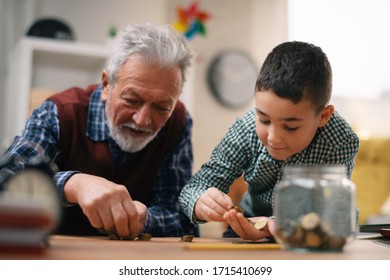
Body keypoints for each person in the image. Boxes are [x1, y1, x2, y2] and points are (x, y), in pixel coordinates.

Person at [0, 22, 198, 239]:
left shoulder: (178, 121)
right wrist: (74, 184)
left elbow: (183, 218)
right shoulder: (59, 112)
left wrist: (144, 218)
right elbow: (6, 178)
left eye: (161, 107)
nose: (142, 120)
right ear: (106, 85)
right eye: (132, 100)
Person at [179, 41, 359, 241]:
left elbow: (334, 209)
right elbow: (194, 188)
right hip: (248, 224)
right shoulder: (246, 129)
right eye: (264, 120)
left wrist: (280, 223)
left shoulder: (340, 139)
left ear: (323, 117)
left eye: (290, 126)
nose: (273, 137)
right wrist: (200, 202)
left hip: (307, 232)